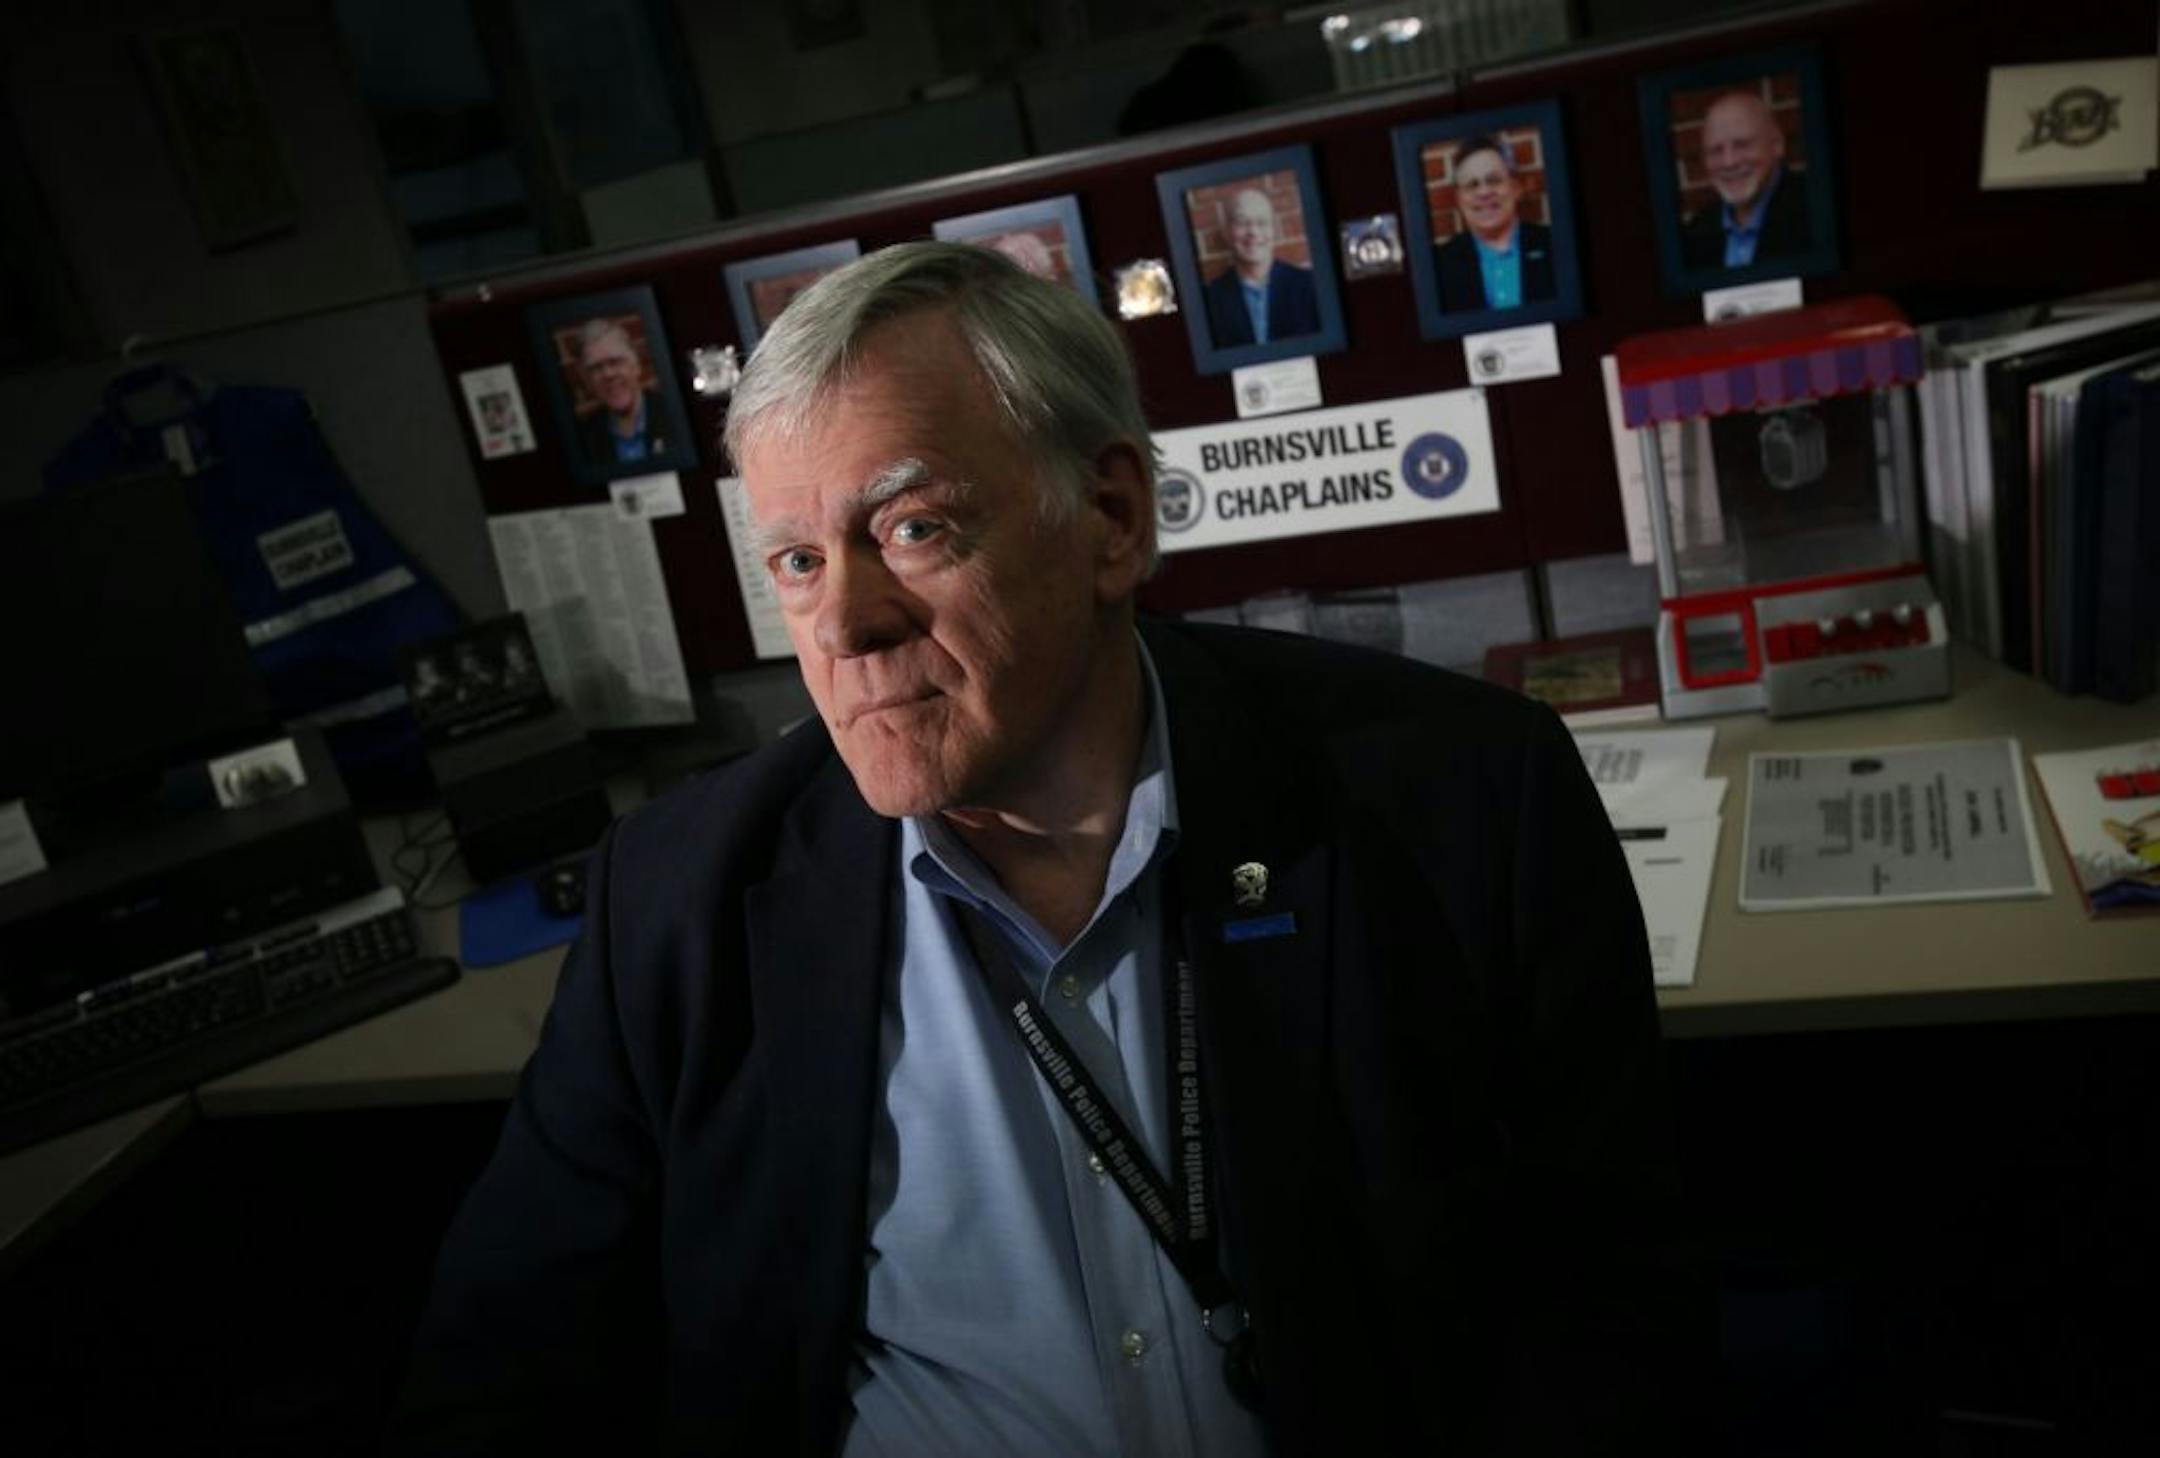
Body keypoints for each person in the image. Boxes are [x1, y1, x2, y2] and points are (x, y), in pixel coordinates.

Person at [392, 241, 1705, 1456]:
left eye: (912, 528)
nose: (844, 621)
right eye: (797, 559)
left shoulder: (1463, 802)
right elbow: (503, 1370)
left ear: (1112, 519)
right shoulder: (675, 901)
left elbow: (1615, 1297)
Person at [1680, 88, 1813, 271]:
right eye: (1716, 150)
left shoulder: (1816, 210)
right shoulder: (1695, 234)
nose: (1729, 162)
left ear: (1777, 145)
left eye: (1742, 145)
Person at [1433, 134, 1557, 313]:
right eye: (1472, 185)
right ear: (1458, 199)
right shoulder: (1440, 265)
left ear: (1516, 188)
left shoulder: (1555, 245)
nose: (1484, 192)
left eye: (1494, 181)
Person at [1199, 186, 1320, 347]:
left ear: (1273, 230)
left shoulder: (1310, 285)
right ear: (1227, 232)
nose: (1253, 232)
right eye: (1242, 222)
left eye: (1261, 222)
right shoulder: (1210, 299)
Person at [572, 318, 671, 466]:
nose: (608, 374)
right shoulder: (582, 439)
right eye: (596, 368)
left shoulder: (673, 414)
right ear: (586, 379)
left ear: (636, 364)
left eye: (615, 362)